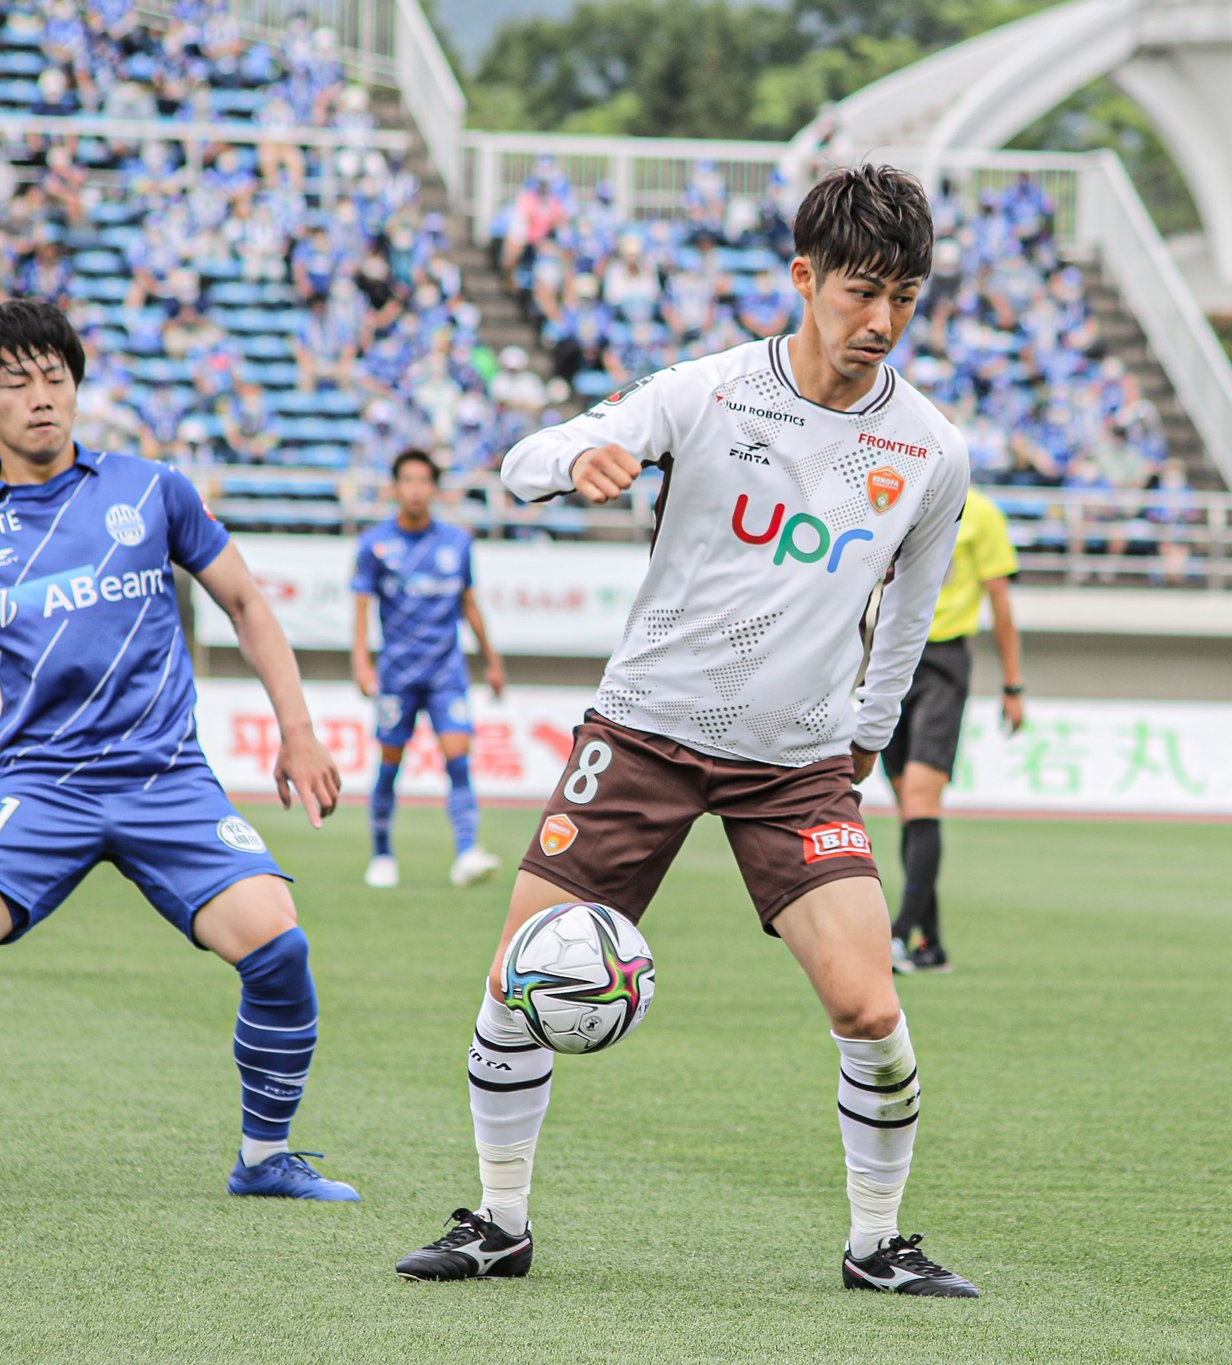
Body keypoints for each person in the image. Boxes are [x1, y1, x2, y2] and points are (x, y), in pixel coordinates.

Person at [393, 165, 980, 1297]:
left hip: (795, 766)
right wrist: (578, 461)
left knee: (868, 1004)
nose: (881, 320)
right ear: (803, 278)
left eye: (904, 297)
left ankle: (876, 1244)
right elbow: (522, 461)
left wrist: (866, 732)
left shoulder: (929, 449)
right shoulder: (709, 391)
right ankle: (499, 1221)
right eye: (860, 291)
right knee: (519, 977)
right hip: (645, 734)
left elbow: (909, 613)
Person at [0, 300, 357, 1200]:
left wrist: (297, 730)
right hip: (42, 788)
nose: (42, 397)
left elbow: (247, 603)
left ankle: (265, 1159)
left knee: (278, 947)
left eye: (56, 377)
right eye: (16, 382)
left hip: (164, 779)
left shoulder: (151, 491)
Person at [351, 449, 507, 891]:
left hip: (445, 672)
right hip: (397, 674)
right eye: (408, 481)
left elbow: (469, 604)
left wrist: (492, 660)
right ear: (395, 487)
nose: (416, 490)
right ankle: (382, 854)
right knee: (390, 763)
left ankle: (467, 852)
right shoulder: (374, 544)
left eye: (423, 481)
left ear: (434, 488)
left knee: (458, 757)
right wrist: (361, 663)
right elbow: (361, 608)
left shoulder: (457, 543)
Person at [885, 487, 1025, 973]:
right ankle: (932, 944)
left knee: (920, 801)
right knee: (908, 808)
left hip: (942, 663)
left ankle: (898, 935)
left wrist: (1013, 684)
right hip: (890, 658)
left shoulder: (982, 513)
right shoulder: (897, 496)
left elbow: (1000, 601)